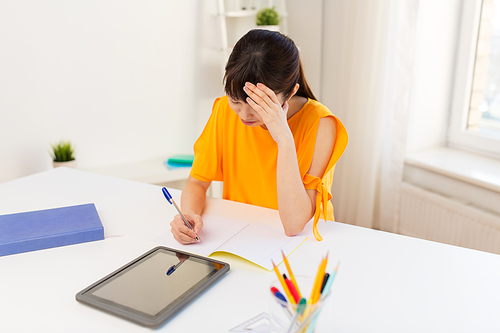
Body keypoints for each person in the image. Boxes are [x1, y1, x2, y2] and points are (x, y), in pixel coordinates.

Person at [170, 29, 348, 244]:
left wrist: (283, 138)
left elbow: (294, 225)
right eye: (236, 101)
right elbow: (197, 182)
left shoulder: (321, 125)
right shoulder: (223, 111)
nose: (244, 115)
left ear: (290, 92)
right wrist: (189, 215)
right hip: (242, 234)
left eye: (258, 105)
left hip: (304, 243)